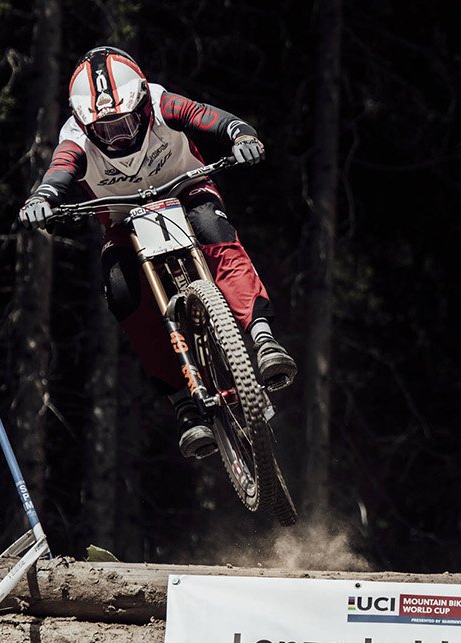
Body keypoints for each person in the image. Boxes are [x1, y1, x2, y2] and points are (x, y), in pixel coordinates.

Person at [18, 46, 297, 460]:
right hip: (122, 222)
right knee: (121, 292)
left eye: (127, 124)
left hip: (187, 191)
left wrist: (241, 135)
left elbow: (211, 117)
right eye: (106, 132)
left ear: (143, 105)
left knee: (215, 231)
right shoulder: (75, 137)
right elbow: (59, 171)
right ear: (85, 124)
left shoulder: (161, 100)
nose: (120, 136)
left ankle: (261, 338)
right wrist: (44, 196)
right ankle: (184, 404)